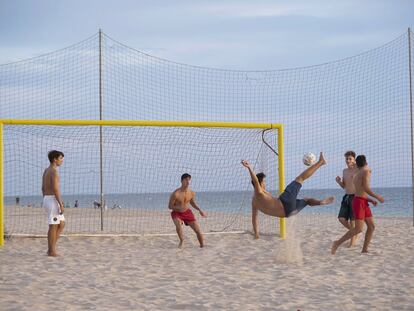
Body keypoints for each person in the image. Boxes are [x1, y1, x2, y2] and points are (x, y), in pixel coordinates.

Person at [241, 152, 334, 239]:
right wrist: (249, 167)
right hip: (285, 202)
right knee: (300, 178)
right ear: (259, 183)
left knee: (307, 200)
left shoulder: (254, 202)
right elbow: (255, 180)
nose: (265, 183)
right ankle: (321, 162)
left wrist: (256, 234)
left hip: (288, 213)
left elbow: (254, 219)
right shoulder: (259, 192)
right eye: (264, 181)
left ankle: (320, 202)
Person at [331, 155, 384, 255]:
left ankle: (364, 249)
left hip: (362, 200)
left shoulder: (358, 173)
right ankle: (337, 243)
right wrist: (377, 197)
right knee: (358, 229)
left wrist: (369, 200)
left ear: (357, 163)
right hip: (359, 202)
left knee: (371, 226)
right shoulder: (365, 172)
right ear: (366, 162)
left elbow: (360, 191)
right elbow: (366, 189)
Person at [168, 173, 206, 248]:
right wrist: (177, 208)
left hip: (187, 212)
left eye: (189, 180)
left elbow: (192, 203)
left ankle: (202, 246)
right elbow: (170, 206)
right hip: (177, 213)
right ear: (181, 181)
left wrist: (199, 210)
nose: (188, 182)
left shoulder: (191, 193)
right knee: (178, 224)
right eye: (186, 180)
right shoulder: (176, 194)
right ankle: (181, 241)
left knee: (198, 230)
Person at [42, 150, 65, 257]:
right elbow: (56, 189)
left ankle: (51, 248)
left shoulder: (46, 170)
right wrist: (60, 203)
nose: (62, 161)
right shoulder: (54, 171)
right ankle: (51, 251)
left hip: (48, 198)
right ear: (54, 159)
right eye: (61, 158)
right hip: (52, 199)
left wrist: (46, 200)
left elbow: (42, 188)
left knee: (61, 224)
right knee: (53, 225)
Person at [335, 151, 358, 247]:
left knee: (353, 223)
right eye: (346, 159)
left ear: (354, 160)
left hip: (355, 197)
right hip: (346, 197)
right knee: (341, 219)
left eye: (350, 159)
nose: (348, 160)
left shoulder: (358, 169)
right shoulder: (344, 171)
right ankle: (354, 232)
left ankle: (351, 245)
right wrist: (339, 181)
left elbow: (367, 170)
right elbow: (344, 186)